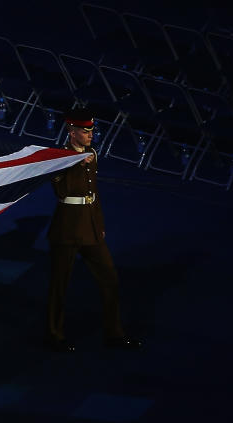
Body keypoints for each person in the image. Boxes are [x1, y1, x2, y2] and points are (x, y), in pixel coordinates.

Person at [46, 108, 142, 352]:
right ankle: (54, 335)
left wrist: (99, 225)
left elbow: (94, 193)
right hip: (67, 227)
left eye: (91, 131)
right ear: (72, 131)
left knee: (110, 277)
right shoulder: (59, 156)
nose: (91, 135)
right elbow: (62, 190)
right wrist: (76, 163)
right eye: (85, 131)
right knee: (60, 284)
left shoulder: (92, 153)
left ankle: (114, 333)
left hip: (89, 226)